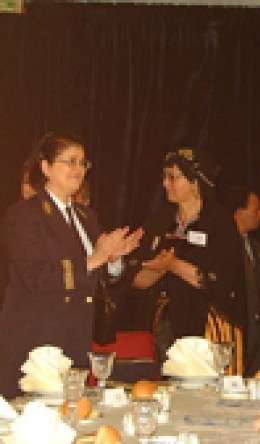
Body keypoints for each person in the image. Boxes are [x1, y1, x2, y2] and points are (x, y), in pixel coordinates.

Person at [0, 133, 142, 397]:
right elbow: (36, 277)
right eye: (70, 161)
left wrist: (113, 260)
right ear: (46, 167)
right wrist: (96, 259)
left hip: (75, 336)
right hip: (37, 340)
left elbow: (98, 276)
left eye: (83, 162)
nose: (78, 169)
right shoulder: (24, 215)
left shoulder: (86, 216)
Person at [128, 148, 245, 371]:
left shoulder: (219, 223)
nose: (165, 184)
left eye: (173, 177)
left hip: (202, 329)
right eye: (164, 177)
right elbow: (134, 281)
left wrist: (173, 264)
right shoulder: (159, 220)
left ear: (195, 182)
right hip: (156, 328)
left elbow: (218, 281)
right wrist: (154, 269)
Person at [226, 186, 260, 375]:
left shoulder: (259, 251)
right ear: (239, 213)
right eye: (257, 210)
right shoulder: (224, 249)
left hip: (259, 336)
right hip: (237, 333)